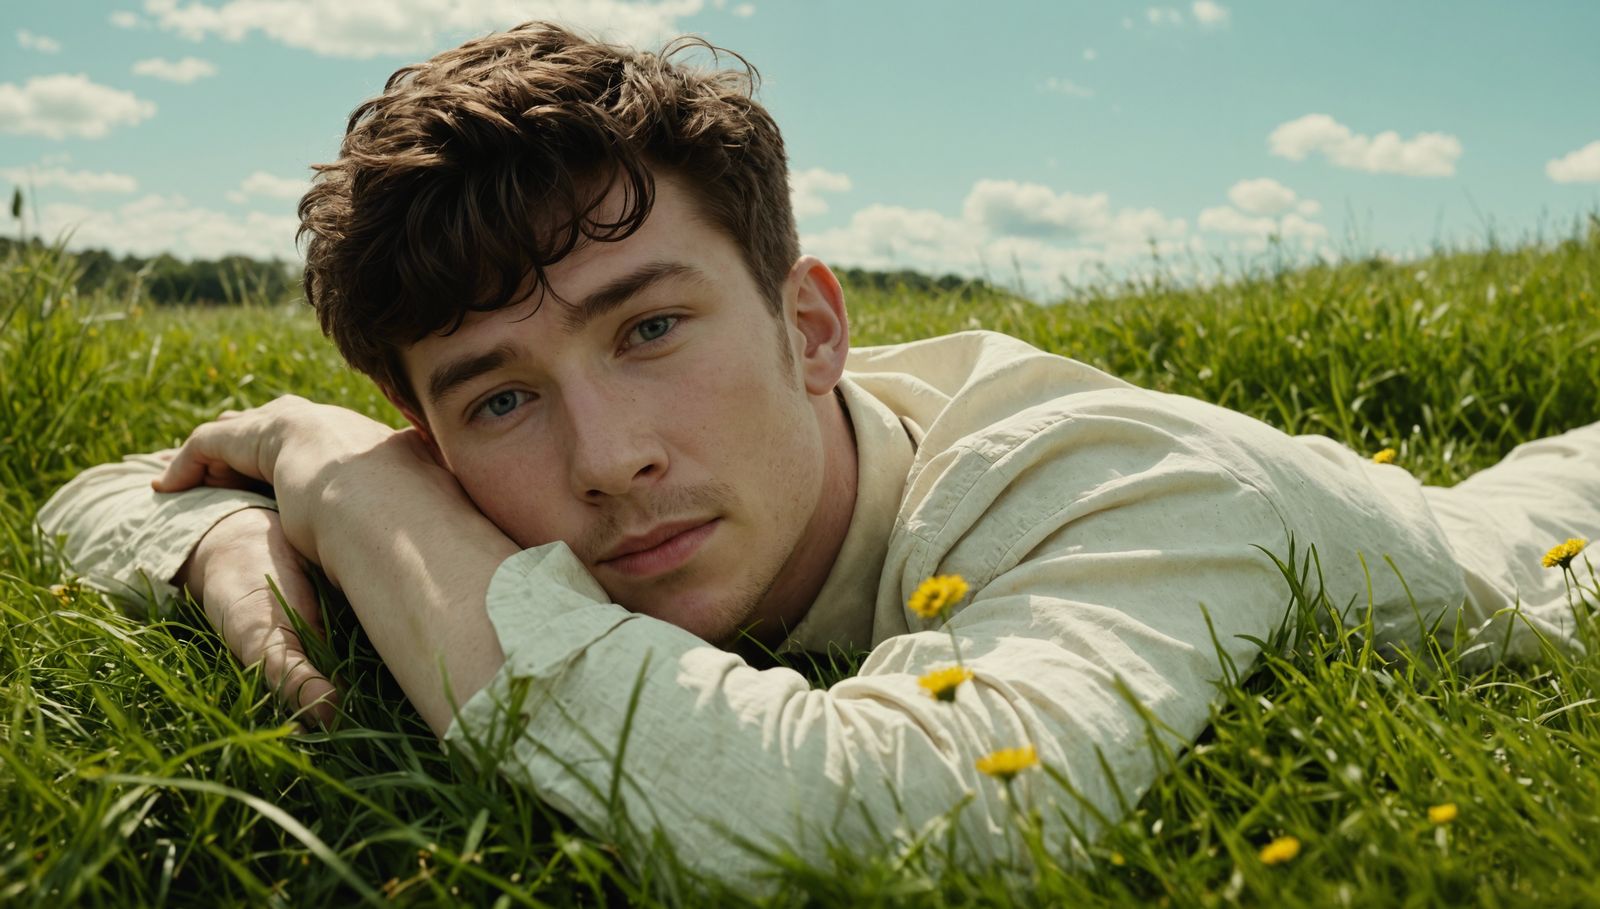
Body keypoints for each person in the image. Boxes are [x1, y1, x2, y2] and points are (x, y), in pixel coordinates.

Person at [36, 20, 1598, 884]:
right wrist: (233, 534)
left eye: (650, 329)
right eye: (498, 397)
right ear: (428, 431)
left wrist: (357, 496)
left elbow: (896, 826)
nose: (607, 458)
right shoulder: (451, 488)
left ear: (811, 328)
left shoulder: (1117, 478)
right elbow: (102, 493)